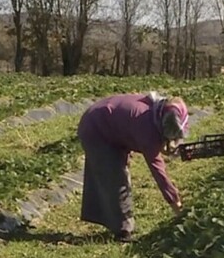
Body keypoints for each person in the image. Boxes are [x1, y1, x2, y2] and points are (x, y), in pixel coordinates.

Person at [76, 92, 189, 242]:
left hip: (109, 124)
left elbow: (155, 138)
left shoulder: (156, 111)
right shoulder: (146, 126)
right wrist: (175, 203)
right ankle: (122, 232)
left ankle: (111, 220)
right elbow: (158, 171)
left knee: (115, 173)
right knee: (116, 178)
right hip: (96, 128)